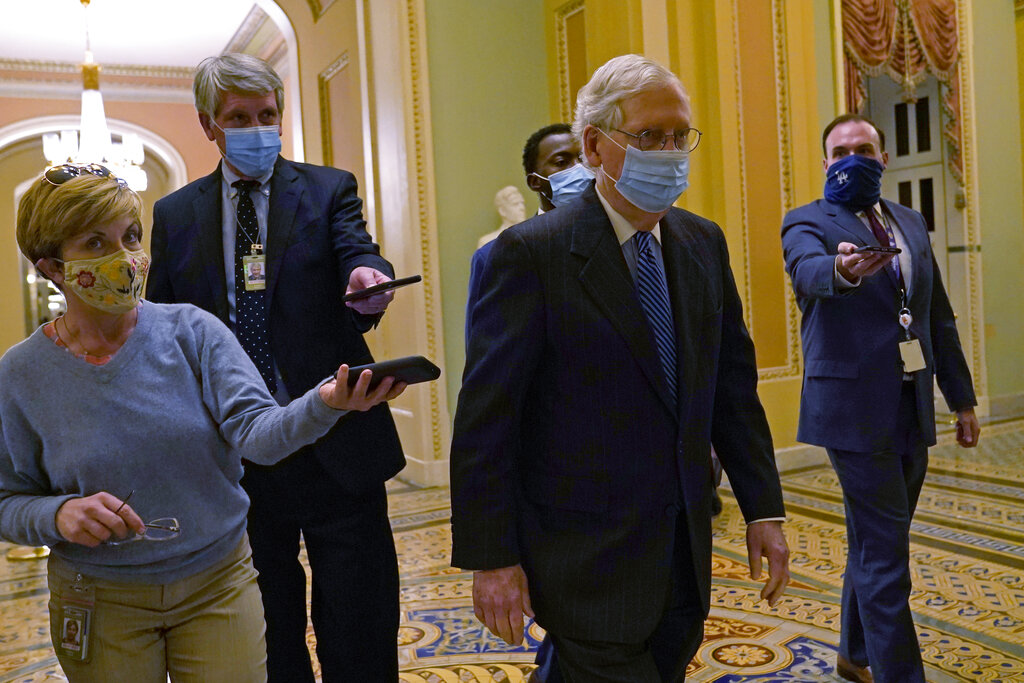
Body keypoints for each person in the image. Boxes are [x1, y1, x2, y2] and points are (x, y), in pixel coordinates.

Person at [450, 54, 790, 683]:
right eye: (647, 136)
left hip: (684, 554)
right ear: (594, 146)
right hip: (583, 559)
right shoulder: (531, 254)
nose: (668, 152)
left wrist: (763, 509)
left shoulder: (701, 242)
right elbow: (486, 419)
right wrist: (491, 558)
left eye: (677, 136)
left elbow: (732, 393)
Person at [0, 165, 403, 682]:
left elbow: (258, 434)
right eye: (96, 242)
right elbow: (9, 499)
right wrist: (57, 516)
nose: (124, 258)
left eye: (131, 236)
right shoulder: (21, 374)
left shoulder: (192, 331)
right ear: (50, 266)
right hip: (99, 597)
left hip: (217, 582)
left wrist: (327, 401)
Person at [146, 53, 405, 682]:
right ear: (209, 124)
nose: (259, 127)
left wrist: (367, 280)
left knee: (361, 625)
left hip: (337, 440)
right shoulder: (175, 215)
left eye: (268, 114)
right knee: (265, 634)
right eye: (240, 116)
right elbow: (162, 323)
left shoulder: (326, 188)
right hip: (238, 456)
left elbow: (356, 252)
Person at [780, 113, 980, 683]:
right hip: (850, 410)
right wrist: (840, 270)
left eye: (863, 147)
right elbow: (807, 271)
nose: (851, 157)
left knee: (875, 541)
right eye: (839, 150)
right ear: (824, 162)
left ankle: (852, 654)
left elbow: (936, 315)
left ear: (882, 156)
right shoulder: (807, 220)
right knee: (886, 556)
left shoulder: (911, 222)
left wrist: (960, 399)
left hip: (911, 403)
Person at [466, 123, 588, 343]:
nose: (578, 169)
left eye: (584, 159)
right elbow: (485, 351)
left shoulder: (624, 240)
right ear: (535, 181)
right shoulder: (494, 254)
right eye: (562, 162)